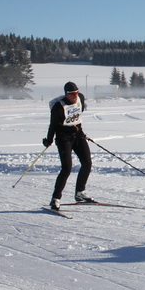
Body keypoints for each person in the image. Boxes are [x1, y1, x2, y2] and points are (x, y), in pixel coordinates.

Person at [43, 81, 94, 210]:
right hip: (63, 139)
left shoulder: (80, 98)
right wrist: (49, 140)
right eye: (71, 94)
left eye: (76, 93)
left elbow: (78, 116)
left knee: (87, 163)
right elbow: (53, 125)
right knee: (67, 168)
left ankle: (80, 193)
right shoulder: (59, 107)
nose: (74, 96)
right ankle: (55, 198)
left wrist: (79, 130)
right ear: (66, 94)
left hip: (78, 135)